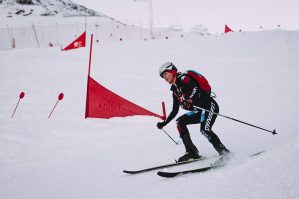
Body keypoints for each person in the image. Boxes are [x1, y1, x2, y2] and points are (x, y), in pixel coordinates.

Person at [156, 62, 231, 162]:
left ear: (172, 71)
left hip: (209, 106)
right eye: (162, 76)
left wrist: (190, 100)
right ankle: (192, 152)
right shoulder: (175, 91)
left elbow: (195, 88)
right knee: (180, 122)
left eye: (165, 74)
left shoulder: (184, 79)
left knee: (205, 129)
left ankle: (225, 153)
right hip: (200, 111)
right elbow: (175, 110)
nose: (164, 78)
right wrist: (164, 123)